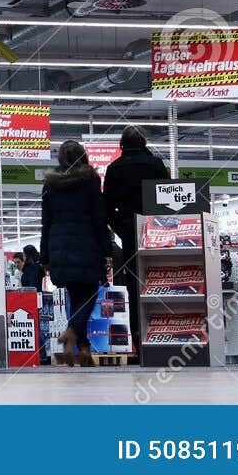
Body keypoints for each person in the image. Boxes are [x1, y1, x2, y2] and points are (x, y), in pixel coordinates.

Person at [40, 140, 111, 366]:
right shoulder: (90, 181)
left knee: (75, 296)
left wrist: (45, 257)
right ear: (83, 157)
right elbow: (99, 218)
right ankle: (71, 334)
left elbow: (46, 222)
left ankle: (82, 348)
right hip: (86, 245)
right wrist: (107, 249)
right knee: (89, 293)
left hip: (59, 247)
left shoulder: (51, 184)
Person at [102, 125, 169, 351]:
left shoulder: (114, 169)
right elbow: (168, 201)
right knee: (159, 283)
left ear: (122, 144)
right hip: (158, 235)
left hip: (130, 234)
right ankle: (161, 336)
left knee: (134, 287)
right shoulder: (157, 165)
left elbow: (107, 208)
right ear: (144, 143)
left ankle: (139, 342)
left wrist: (121, 229)